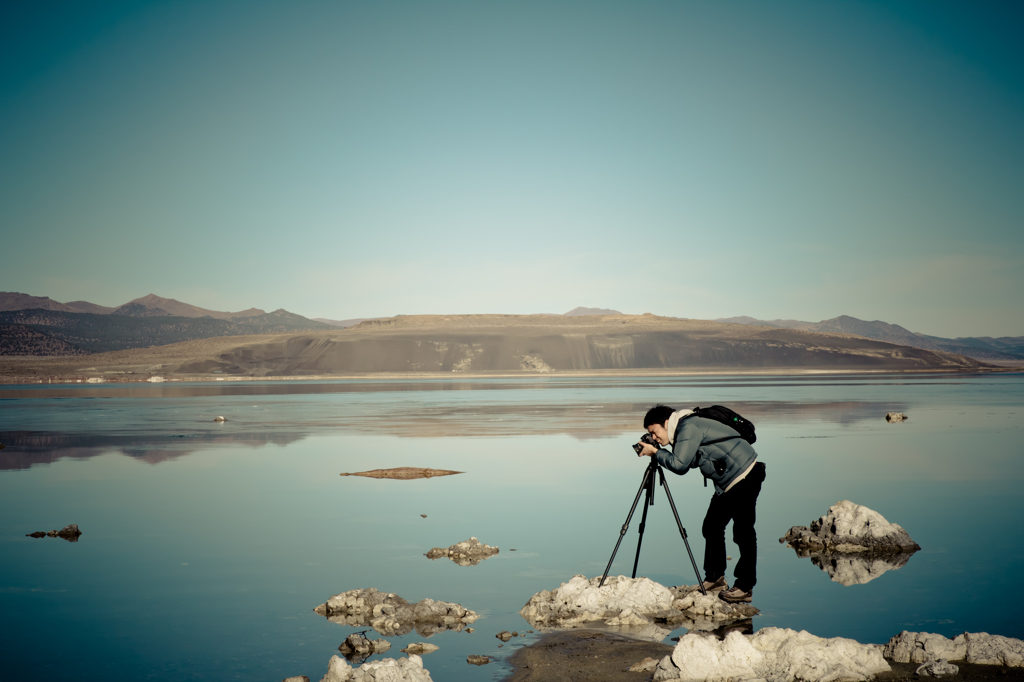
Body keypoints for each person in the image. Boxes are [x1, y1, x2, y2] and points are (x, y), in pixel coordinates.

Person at [637, 404, 766, 603]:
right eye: (651, 436)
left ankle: (744, 586)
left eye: (654, 432)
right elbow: (692, 460)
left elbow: (680, 466)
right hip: (727, 482)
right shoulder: (683, 430)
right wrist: (659, 451)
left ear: (665, 423)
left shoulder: (688, 427)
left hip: (745, 475)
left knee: (743, 531)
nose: (654, 438)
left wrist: (655, 453)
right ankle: (715, 579)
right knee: (712, 526)